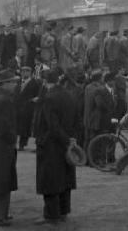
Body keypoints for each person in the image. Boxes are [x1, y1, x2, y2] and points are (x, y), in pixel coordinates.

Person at [35, 69, 77, 224]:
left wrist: (64, 140)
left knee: (51, 180)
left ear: (45, 82)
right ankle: (64, 211)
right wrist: (71, 140)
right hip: (67, 144)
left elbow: (53, 126)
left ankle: (51, 215)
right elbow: (76, 120)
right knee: (65, 179)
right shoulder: (69, 95)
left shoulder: (49, 98)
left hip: (52, 144)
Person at [0, 69, 19, 227]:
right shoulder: (4, 101)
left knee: (0, 178)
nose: (15, 84)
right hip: (3, 144)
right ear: (4, 84)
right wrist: (12, 140)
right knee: (2, 179)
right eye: (12, 82)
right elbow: (4, 126)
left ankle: (1, 213)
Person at [15, 66, 40, 151]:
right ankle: (16, 142)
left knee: (25, 126)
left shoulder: (34, 83)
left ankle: (22, 144)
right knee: (17, 125)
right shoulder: (18, 82)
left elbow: (37, 95)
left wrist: (33, 100)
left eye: (27, 71)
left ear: (30, 73)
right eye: (23, 71)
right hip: (18, 107)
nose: (24, 73)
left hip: (28, 108)